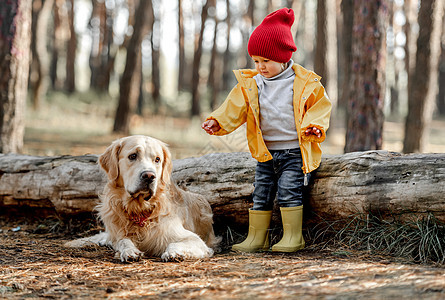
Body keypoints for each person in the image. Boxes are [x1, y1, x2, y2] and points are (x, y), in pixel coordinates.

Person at [201, 8, 332, 253]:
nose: (260, 67)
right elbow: (234, 108)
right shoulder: (253, 84)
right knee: (260, 193)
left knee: (289, 193)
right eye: (256, 61)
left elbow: (320, 107)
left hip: (294, 152)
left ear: (283, 57)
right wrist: (217, 121)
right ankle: (257, 237)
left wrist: (314, 126)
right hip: (266, 153)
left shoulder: (303, 83)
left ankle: (294, 236)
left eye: (266, 61)